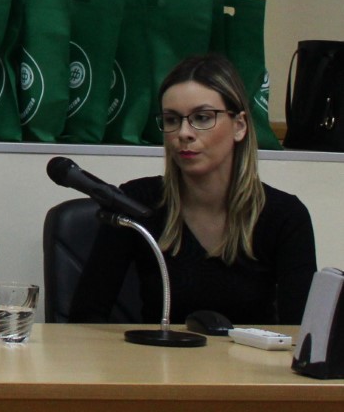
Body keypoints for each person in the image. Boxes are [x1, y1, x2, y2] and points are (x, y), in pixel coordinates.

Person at [68, 55, 316, 325]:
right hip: (155, 352)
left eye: (202, 117)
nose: (184, 133)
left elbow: (303, 332)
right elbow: (85, 318)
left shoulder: (284, 216)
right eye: (172, 120)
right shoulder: (135, 204)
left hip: (246, 354)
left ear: (239, 126)